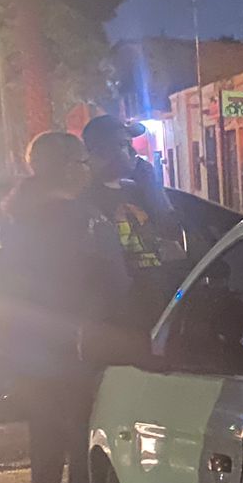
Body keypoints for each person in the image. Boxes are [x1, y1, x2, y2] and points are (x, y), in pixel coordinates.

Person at [0, 132, 131, 483]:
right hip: (75, 342)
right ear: (65, 167)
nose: (87, 169)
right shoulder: (83, 219)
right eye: (81, 162)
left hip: (29, 346)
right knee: (81, 434)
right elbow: (114, 281)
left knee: (45, 434)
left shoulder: (14, 215)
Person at [81, 114, 177, 327]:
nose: (134, 152)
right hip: (116, 315)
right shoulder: (84, 198)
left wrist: (152, 186)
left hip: (154, 304)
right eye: (124, 145)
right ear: (102, 151)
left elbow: (171, 229)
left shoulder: (138, 189)